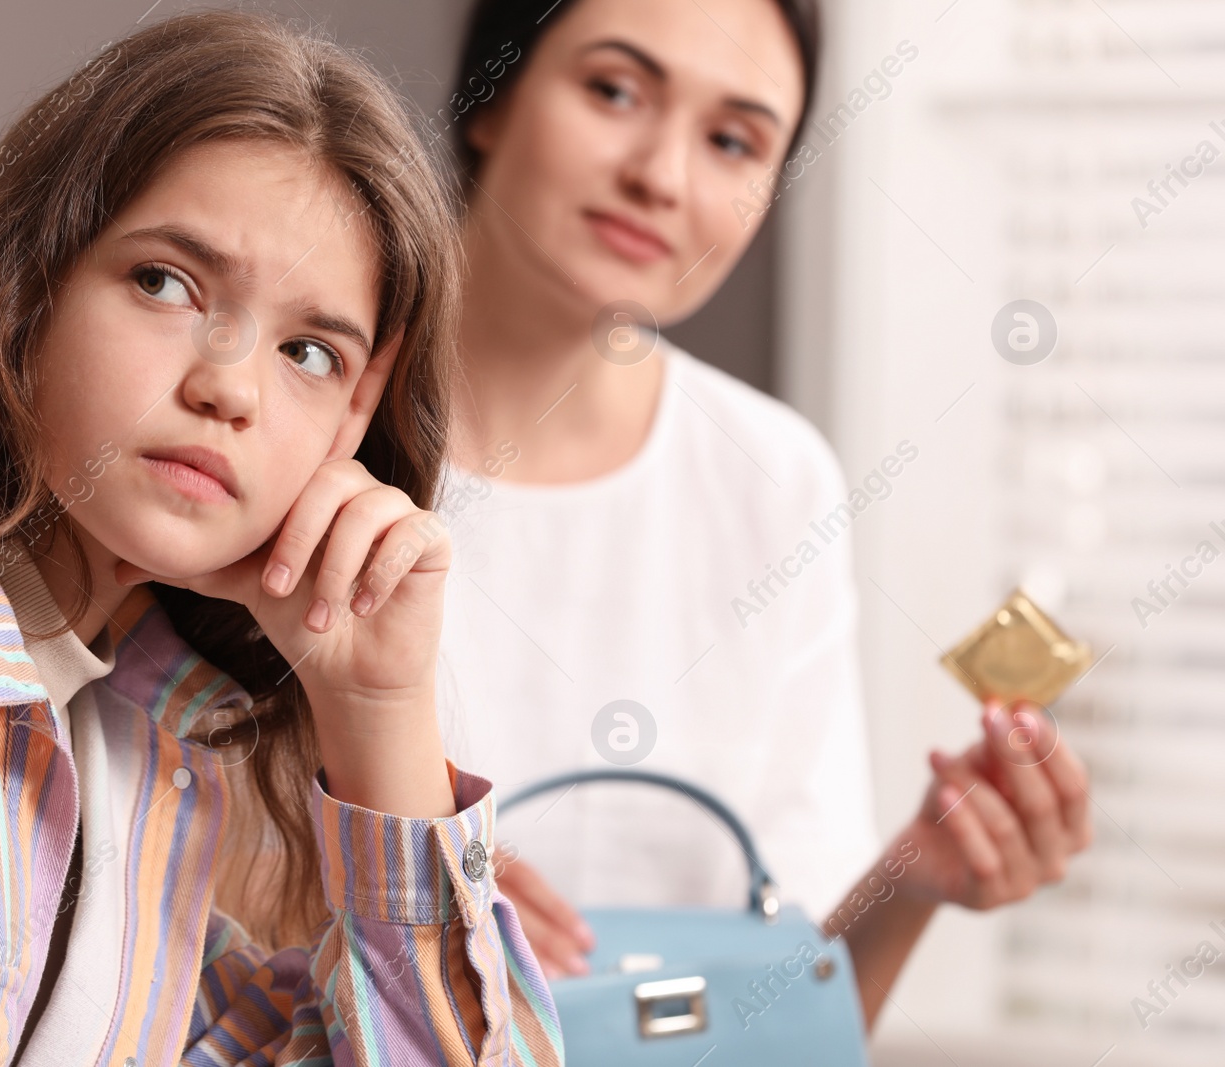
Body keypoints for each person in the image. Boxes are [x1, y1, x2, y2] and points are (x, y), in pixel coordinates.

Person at [0, 12, 563, 1065]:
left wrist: (377, 708)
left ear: (350, 429)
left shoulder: (132, 758)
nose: (230, 386)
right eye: (166, 283)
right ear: (24, 297)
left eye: (308, 352)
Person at [434, 0, 1093, 1028]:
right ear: (491, 94)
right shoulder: (287, 422)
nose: (662, 174)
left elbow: (779, 1027)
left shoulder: (774, 483)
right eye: (613, 89)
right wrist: (392, 900)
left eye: (732, 140)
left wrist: (911, 880)